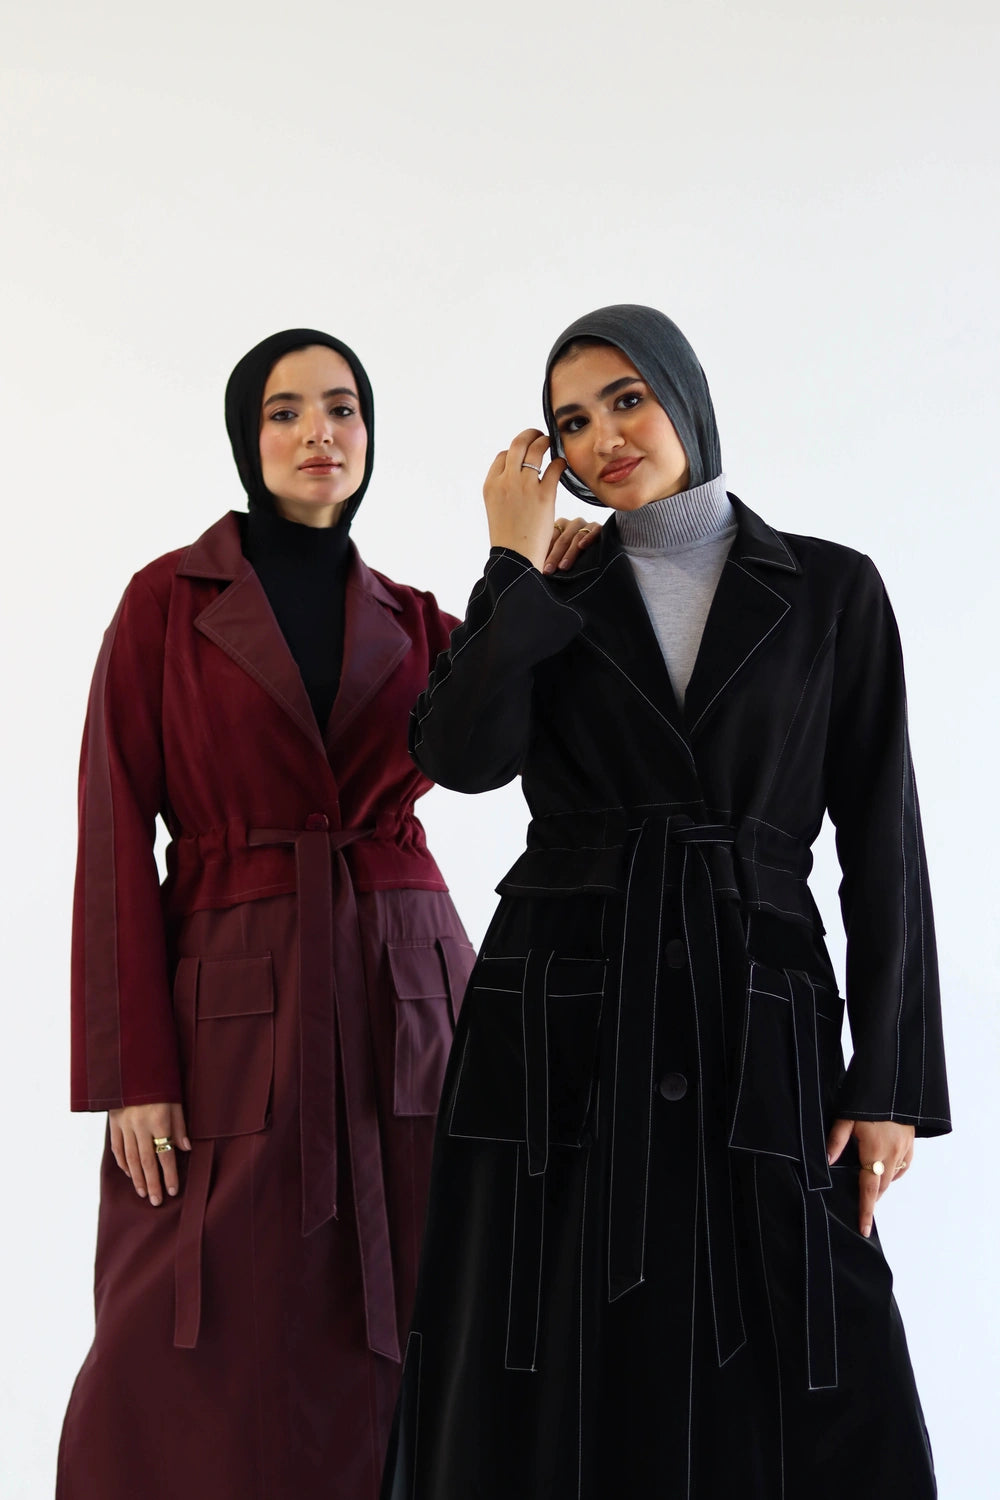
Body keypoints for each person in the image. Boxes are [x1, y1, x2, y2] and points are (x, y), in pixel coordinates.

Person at [380, 305, 949, 1499]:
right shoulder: (550, 593)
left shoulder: (831, 589)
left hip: (760, 1000)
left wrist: (889, 1082)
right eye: (570, 422)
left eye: (625, 399)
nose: (603, 438)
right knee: (557, 1347)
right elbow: (460, 756)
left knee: (814, 1357)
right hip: (563, 1012)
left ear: (685, 397)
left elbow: (882, 842)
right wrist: (507, 566)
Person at [57, 327, 595, 1500]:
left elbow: (489, 757)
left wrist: (525, 576)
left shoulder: (410, 617)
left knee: (412, 1313)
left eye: (343, 409)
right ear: (248, 437)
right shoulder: (164, 602)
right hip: (226, 1009)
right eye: (287, 410)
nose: (319, 433)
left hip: (408, 1001)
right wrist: (129, 1069)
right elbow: (111, 834)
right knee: (186, 1332)